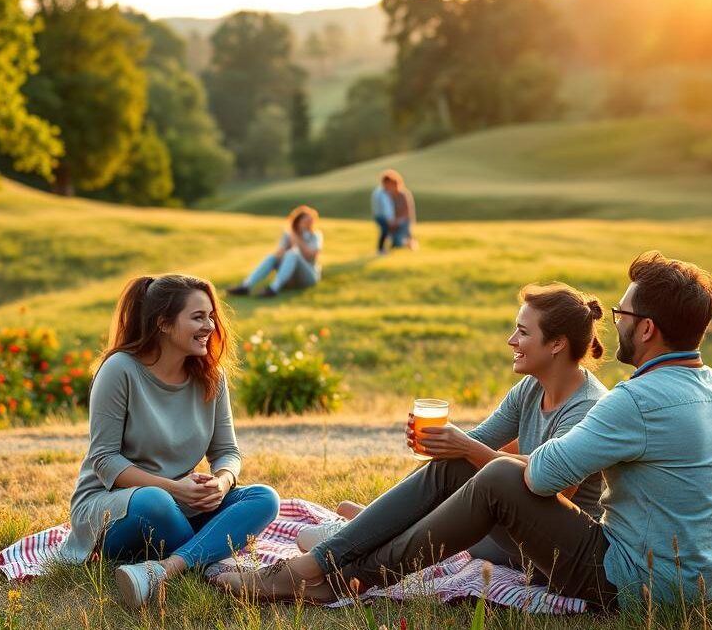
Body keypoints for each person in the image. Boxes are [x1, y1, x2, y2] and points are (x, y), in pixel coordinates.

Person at [220, 251, 712, 611]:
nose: (617, 323)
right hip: (710, 587)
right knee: (473, 467)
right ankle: (330, 564)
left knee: (494, 478)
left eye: (623, 313)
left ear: (648, 329)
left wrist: (469, 449)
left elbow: (540, 480)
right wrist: (465, 450)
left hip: (640, 587)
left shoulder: (634, 399)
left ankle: (331, 576)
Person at [218, 282, 611, 599]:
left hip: (549, 552)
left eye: (523, 332)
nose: (511, 339)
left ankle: (326, 567)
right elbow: (475, 445)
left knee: (464, 467)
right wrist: (442, 443)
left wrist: (464, 448)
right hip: (509, 542)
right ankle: (356, 540)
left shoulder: (588, 406)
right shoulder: (530, 389)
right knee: (454, 466)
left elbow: (555, 485)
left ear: (557, 343)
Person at [57, 274, 280, 610]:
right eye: (198, 317)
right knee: (155, 501)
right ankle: (204, 553)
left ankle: (167, 568)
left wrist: (222, 481)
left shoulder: (211, 376)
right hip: (115, 508)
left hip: (180, 505)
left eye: (211, 316)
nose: (209, 326)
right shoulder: (120, 370)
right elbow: (104, 461)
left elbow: (227, 452)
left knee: (264, 498)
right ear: (163, 323)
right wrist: (173, 488)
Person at [227, 205, 323, 298]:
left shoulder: (315, 235)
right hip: (290, 279)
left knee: (293, 254)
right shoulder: (288, 235)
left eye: (311, 221)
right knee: (272, 257)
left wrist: (296, 240)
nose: (309, 224)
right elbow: (279, 254)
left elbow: (311, 255)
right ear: (297, 222)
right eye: (306, 221)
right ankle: (246, 286)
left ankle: (274, 288)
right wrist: (287, 246)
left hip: (309, 278)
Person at [371, 171, 398, 254]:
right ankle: (380, 249)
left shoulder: (387, 193)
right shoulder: (379, 193)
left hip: (387, 217)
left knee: (388, 233)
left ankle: (387, 248)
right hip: (381, 216)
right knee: (385, 231)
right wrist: (389, 219)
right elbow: (383, 208)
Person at [389, 172, 416, 249]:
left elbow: (407, 211)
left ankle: (409, 243)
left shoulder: (404, 195)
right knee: (394, 242)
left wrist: (398, 221)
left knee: (398, 242)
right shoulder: (391, 196)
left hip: (404, 221)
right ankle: (408, 242)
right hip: (395, 222)